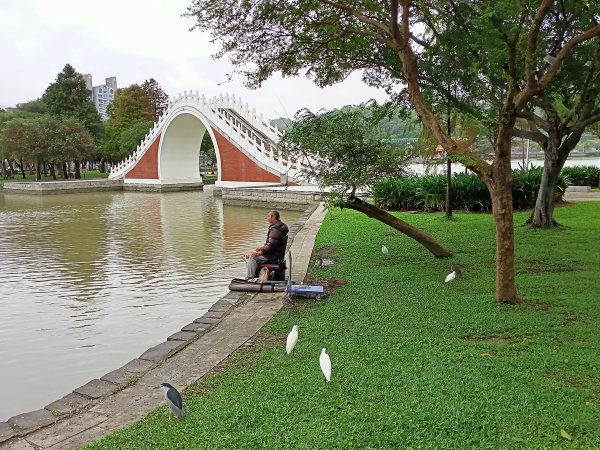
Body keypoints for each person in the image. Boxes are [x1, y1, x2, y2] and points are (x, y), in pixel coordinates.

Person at [243, 210, 289, 280]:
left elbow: (270, 246)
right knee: (253, 255)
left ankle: (250, 277)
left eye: (268, 216)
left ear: (273, 217)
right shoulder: (279, 226)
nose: (267, 218)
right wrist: (261, 248)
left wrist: (259, 253)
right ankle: (256, 276)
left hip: (273, 256)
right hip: (276, 254)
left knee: (252, 257)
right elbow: (272, 243)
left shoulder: (275, 230)